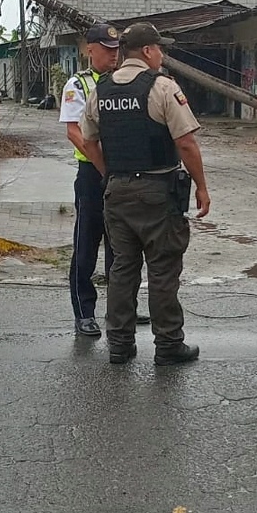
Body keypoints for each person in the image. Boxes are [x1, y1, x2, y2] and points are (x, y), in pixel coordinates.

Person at [80, 22, 211, 366]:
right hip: (157, 191)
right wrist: (201, 185)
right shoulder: (163, 87)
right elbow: (186, 142)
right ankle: (168, 345)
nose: (162, 56)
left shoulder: (101, 89)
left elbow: (88, 141)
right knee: (163, 268)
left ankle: (119, 345)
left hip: (117, 192)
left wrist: (109, 173)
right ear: (149, 50)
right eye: (160, 49)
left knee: (122, 268)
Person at [58, 22, 120, 336]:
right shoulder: (78, 84)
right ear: (89, 50)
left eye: (116, 49)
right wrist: (102, 166)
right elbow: (74, 132)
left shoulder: (123, 81)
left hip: (121, 174)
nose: (113, 55)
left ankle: (120, 308)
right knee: (86, 246)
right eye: (107, 50)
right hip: (92, 176)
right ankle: (84, 312)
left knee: (120, 246)